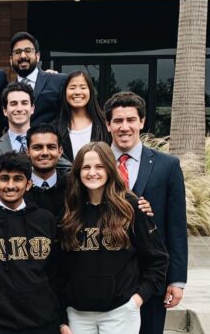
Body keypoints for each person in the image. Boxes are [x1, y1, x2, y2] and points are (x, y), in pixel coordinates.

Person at [58, 142, 169, 334]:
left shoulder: (130, 207)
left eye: (99, 166)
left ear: (110, 168)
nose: (92, 172)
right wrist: (61, 317)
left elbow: (158, 259)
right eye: (86, 167)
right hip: (78, 314)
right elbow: (58, 267)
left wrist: (137, 300)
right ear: (77, 171)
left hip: (120, 313)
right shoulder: (70, 210)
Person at [103, 92, 187, 334]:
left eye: (131, 119)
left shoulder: (167, 165)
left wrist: (177, 280)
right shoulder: (94, 164)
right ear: (108, 124)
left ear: (142, 122)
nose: (124, 127)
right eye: (118, 121)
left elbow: (177, 226)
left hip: (152, 277)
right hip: (106, 278)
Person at [0, 152, 62, 334]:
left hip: (45, 323)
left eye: (18, 179)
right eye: (5, 179)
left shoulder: (45, 220)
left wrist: (56, 318)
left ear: (28, 184)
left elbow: (56, 273)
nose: (11, 186)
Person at [10, 31, 66, 126]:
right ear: (11, 60)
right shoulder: (7, 90)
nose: (23, 56)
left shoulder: (58, 81)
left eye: (28, 51)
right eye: (18, 52)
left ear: (37, 56)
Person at [56, 70, 110, 161]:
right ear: (65, 92)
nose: (77, 92)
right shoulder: (55, 127)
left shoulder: (105, 124)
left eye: (83, 87)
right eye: (72, 88)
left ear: (91, 91)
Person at [24, 124, 67, 220]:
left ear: (60, 151)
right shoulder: (19, 189)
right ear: (27, 151)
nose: (45, 153)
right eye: (37, 147)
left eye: (51, 147)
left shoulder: (71, 187)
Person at [0, 82, 34, 164]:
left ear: (32, 108)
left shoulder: (46, 142)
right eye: (13, 104)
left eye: (24, 103)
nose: (19, 108)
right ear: (5, 110)